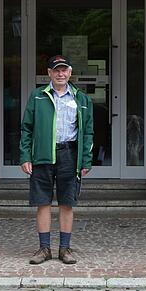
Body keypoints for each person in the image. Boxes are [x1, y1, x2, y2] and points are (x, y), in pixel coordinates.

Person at [20, 55, 94, 265]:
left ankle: (64, 248)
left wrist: (86, 160)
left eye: (64, 70)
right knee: (42, 202)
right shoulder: (38, 96)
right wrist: (25, 155)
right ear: (49, 73)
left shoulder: (81, 98)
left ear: (70, 73)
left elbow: (88, 132)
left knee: (66, 202)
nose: (61, 74)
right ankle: (44, 249)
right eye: (56, 70)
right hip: (42, 154)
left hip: (69, 154)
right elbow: (26, 128)